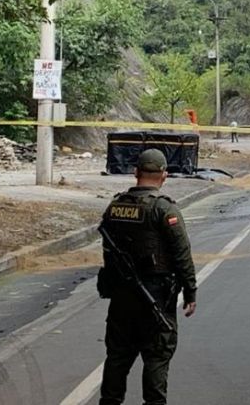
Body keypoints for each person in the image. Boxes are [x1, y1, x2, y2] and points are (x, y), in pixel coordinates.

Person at [97, 149, 197, 405]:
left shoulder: (115, 206)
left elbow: (108, 253)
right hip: (156, 296)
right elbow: (182, 253)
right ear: (164, 175)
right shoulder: (164, 208)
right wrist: (190, 291)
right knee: (156, 356)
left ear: (136, 173)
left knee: (117, 358)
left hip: (121, 296)